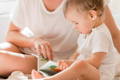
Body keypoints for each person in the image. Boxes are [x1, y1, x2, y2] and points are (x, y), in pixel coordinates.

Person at [0, 0, 119, 77]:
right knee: (4, 50)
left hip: (56, 62)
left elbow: (114, 36)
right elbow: (11, 34)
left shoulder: (86, 4)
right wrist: (34, 41)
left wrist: (69, 63)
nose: (74, 27)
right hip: (33, 51)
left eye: (75, 23)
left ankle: (49, 72)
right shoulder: (27, 2)